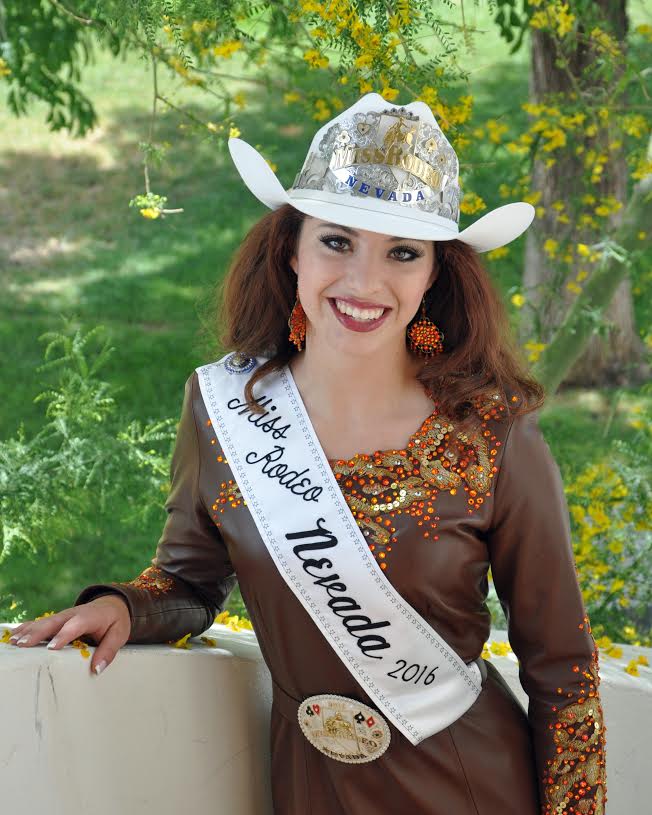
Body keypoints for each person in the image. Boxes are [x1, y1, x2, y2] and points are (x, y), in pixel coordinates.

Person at [9, 93, 607, 814]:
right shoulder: (223, 409)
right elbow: (192, 582)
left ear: (435, 274)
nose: (364, 281)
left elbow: (563, 670)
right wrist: (126, 607)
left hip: (470, 783)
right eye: (336, 240)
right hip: (309, 787)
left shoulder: (493, 434)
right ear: (290, 248)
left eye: (403, 252)